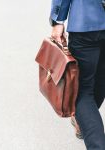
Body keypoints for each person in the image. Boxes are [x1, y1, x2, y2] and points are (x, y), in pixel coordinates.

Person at [49, 0, 105, 149]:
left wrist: (57, 20)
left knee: (83, 92)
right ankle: (83, 119)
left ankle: (86, 123)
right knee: (98, 84)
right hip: (86, 24)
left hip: (85, 20)